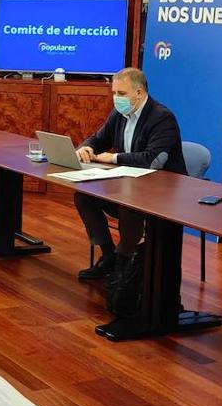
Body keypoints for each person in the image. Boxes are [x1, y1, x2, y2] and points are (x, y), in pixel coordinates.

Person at [74, 68, 186, 284]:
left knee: (128, 205)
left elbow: (153, 160)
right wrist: (86, 148)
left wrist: (113, 158)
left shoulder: (162, 118)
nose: (116, 99)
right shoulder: (119, 114)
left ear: (139, 93)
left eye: (122, 94)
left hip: (162, 192)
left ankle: (124, 262)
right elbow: (98, 139)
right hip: (128, 184)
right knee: (84, 197)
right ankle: (109, 254)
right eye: (114, 93)